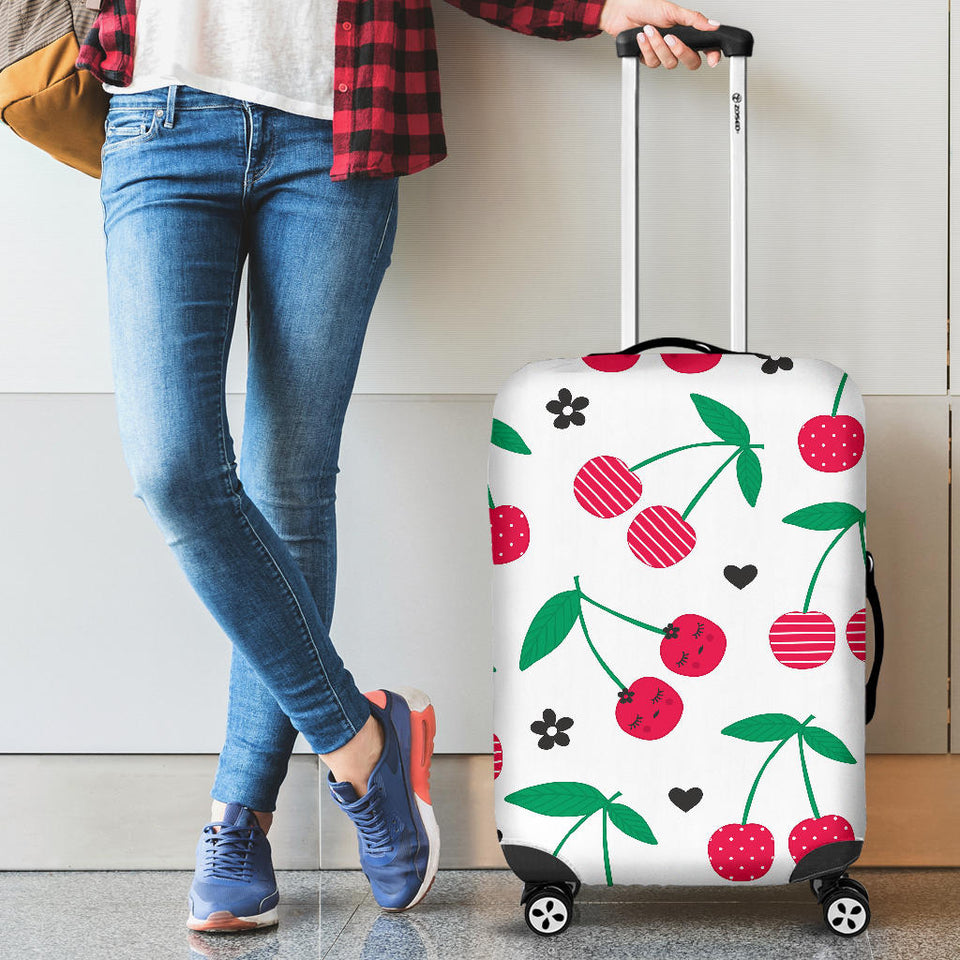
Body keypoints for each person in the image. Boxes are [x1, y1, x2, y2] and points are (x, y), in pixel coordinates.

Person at [80, 0, 722, 935]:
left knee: (289, 479)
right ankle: (360, 738)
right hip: (159, 116)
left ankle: (240, 819)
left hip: (336, 127)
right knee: (175, 469)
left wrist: (598, 8)